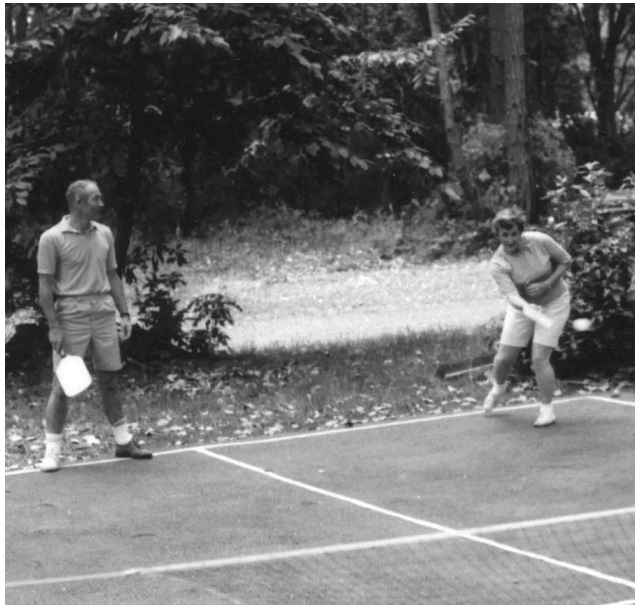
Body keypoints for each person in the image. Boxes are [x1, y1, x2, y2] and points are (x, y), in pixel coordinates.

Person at [37, 179, 152, 471]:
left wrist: (124, 314)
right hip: (70, 316)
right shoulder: (51, 238)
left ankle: (123, 442)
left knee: (110, 380)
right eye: (95, 199)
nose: (101, 204)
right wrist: (54, 326)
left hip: (103, 314)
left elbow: (113, 275)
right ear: (78, 202)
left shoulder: (105, 233)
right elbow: (45, 288)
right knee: (62, 386)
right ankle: (51, 451)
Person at [483, 207, 572, 427]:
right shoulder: (498, 263)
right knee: (503, 358)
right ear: (499, 235)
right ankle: (498, 388)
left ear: (520, 231)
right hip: (523, 307)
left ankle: (547, 410)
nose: (511, 239)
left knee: (539, 358)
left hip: (555, 302)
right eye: (505, 235)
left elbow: (566, 260)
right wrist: (530, 309)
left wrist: (547, 283)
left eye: (514, 233)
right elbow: (513, 297)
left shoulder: (540, 241)